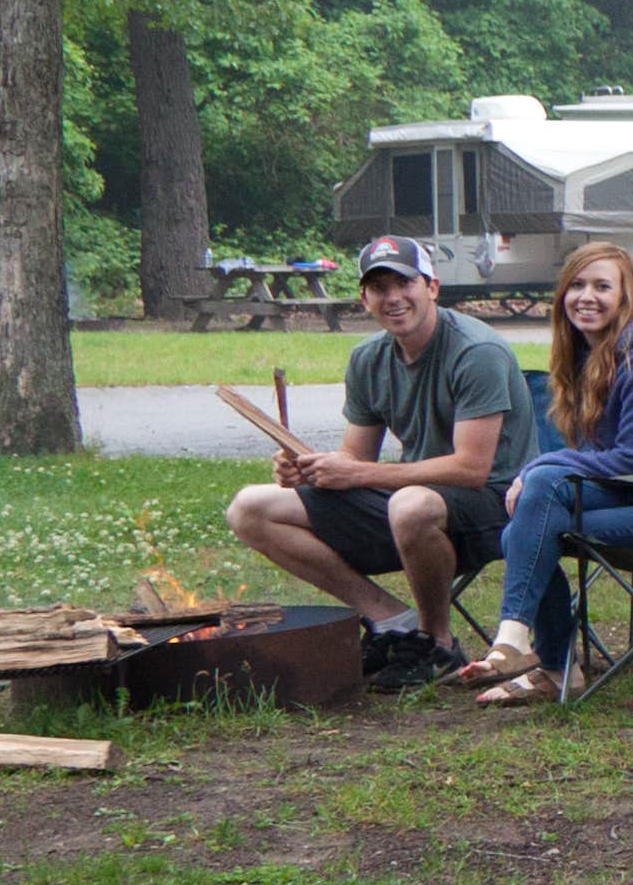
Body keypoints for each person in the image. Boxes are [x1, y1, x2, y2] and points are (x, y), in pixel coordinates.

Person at [224, 236, 533, 690]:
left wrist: (362, 474)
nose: (393, 298)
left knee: (409, 504)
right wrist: (309, 471)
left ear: (432, 287)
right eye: (378, 287)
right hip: (410, 504)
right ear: (364, 298)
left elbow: (472, 469)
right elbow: (355, 457)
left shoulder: (476, 352)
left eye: (403, 283)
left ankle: (437, 645)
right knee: (250, 507)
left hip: (496, 507)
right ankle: (393, 623)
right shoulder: (368, 359)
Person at [448, 240, 633, 707]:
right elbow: (608, 463)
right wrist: (546, 471)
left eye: (603, 286)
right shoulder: (587, 356)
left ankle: (525, 647)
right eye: (577, 285)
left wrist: (540, 465)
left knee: (536, 505)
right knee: (525, 529)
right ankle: (554, 666)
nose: (587, 296)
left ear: (626, 296)